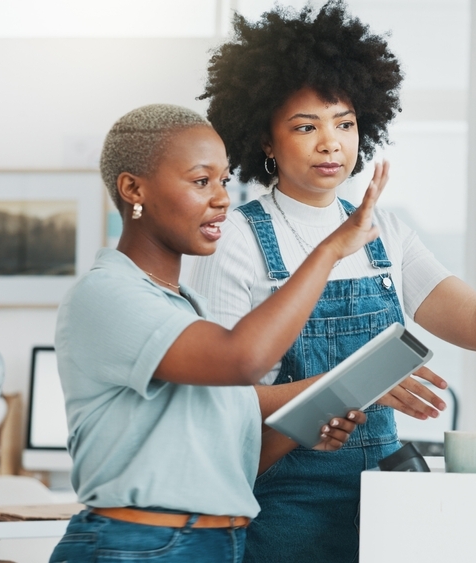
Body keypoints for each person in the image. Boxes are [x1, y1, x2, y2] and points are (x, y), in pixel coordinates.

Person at [189, 3, 476, 561]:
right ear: (265, 141)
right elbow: (217, 402)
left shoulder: (386, 235)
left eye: (344, 123)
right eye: (306, 126)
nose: (331, 143)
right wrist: (353, 384)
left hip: (390, 495)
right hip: (287, 503)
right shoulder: (236, 240)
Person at [49, 103, 389, 562]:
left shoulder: (189, 310)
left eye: (224, 181)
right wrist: (331, 250)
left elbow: (229, 459)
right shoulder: (106, 295)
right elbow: (242, 360)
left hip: (216, 543)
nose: (222, 198)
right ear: (133, 188)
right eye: (200, 181)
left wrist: (306, 423)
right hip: (138, 547)